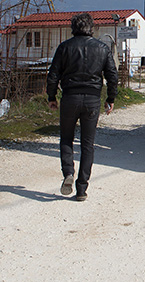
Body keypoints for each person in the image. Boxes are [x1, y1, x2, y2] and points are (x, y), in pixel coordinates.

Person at [47, 13, 118, 202]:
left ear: (73, 27)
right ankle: (81, 188)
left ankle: (68, 172)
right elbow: (112, 76)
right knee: (87, 145)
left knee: (66, 139)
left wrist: (51, 97)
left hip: (70, 98)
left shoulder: (64, 47)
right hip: (92, 100)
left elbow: (53, 74)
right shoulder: (102, 48)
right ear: (91, 28)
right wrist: (110, 99)